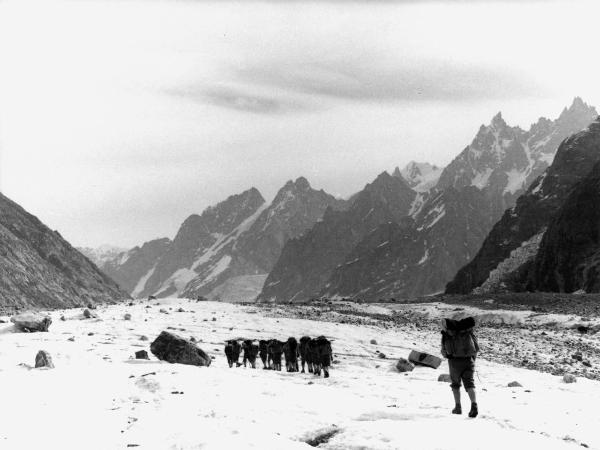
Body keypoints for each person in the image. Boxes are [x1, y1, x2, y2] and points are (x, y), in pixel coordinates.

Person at [441, 316, 479, 418]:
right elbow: (476, 347)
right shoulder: (467, 333)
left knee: (455, 385)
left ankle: (458, 407)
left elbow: (444, 352)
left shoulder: (446, 335)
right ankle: (474, 405)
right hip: (468, 361)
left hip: (454, 362)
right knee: (470, 384)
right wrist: (472, 360)